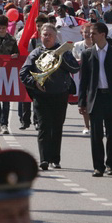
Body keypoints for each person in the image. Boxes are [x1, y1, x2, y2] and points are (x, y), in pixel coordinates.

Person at [19, 24, 79, 171]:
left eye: (50, 35)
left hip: (60, 94)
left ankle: (55, 159)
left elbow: (76, 69)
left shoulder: (64, 51)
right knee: (44, 127)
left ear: (55, 36)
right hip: (42, 95)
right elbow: (23, 73)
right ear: (41, 36)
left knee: (57, 127)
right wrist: (34, 83)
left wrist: (62, 57)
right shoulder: (36, 53)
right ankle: (44, 159)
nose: (47, 37)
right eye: (44, 35)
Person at [78, 23, 112, 177]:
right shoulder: (87, 54)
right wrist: (81, 102)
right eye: (90, 33)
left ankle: (111, 164)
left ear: (103, 34)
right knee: (96, 134)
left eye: (93, 33)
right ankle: (98, 166)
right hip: (96, 98)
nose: (90, 36)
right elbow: (83, 80)